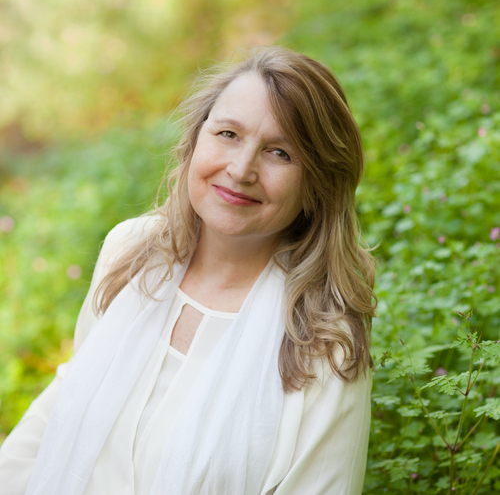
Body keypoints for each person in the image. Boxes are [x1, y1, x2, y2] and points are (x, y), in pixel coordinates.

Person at [0, 46, 376, 494]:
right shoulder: (130, 252)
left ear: (318, 182)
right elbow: (66, 403)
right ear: (197, 138)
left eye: (280, 153)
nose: (241, 169)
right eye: (228, 134)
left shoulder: (324, 342)